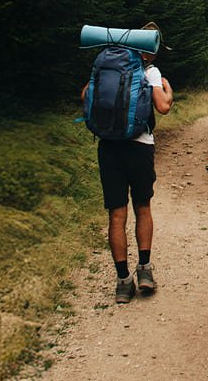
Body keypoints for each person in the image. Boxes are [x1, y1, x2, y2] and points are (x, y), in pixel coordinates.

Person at [84, 21, 174, 304]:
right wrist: (168, 90)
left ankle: (123, 282)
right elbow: (163, 106)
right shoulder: (150, 70)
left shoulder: (107, 63)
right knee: (143, 207)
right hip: (139, 146)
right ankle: (144, 270)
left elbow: (86, 95)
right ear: (152, 50)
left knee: (116, 214)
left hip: (109, 147)